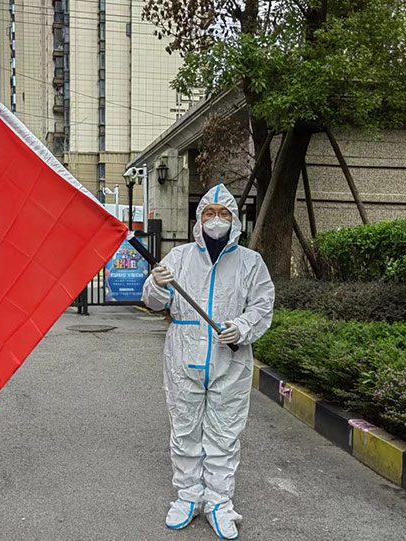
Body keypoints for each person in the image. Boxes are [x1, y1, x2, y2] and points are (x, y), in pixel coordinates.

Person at [142, 184, 275, 539]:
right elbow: (154, 303)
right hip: (183, 355)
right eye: (209, 213)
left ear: (234, 220)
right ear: (199, 219)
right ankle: (188, 496)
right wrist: (157, 284)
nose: (216, 219)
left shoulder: (250, 262)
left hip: (229, 359)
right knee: (184, 429)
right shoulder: (179, 257)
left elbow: (262, 306)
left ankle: (218, 502)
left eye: (224, 213)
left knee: (224, 433)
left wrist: (241, 327)